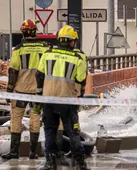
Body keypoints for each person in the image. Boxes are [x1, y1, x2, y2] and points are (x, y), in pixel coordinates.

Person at [36, 25, 90, 170]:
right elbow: (80, 78)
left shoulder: (47, 54)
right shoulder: (77, 58)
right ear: (72, 41)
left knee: (50, 131)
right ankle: (80, 163)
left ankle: (50, 163)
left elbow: (39, 75)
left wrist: (39, 94)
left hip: (48, 100)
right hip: (67, 100)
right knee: (73, 132)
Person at [1, 19, 49, 160]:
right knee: (35, 120)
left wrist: (9, 91)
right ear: (35, 32)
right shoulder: (45, 48)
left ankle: (14, 152)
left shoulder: (18, 50)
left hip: (20, 92)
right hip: (38, 92)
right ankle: (33, 152)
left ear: (23, 33)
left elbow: (12, 72)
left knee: (16, 120)